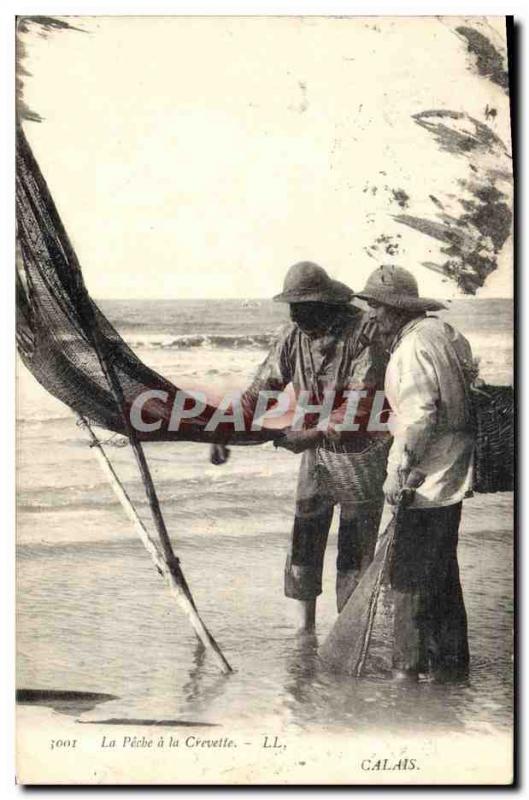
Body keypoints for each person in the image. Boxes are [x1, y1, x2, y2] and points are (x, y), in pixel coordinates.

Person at [211, 261, 389, 631]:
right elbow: (260, 392)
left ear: (328, 304)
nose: (297, 314)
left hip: (360, 457)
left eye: (304, 307)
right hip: (315, 457)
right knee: (305, 540)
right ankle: (303, 635)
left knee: (354, 552)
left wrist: (310, 434)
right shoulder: (293, 337)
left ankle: (347, 634)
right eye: (293, 307)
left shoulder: (363, 334)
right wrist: (226, 431)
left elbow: (359, 404)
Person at [356, 265, 475, 682]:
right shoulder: (444, 334)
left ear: (394, 310)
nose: (369, 315)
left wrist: (396, 471)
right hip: (453, 468)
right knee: (442, 572)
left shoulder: (410, 351)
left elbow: (417, 417)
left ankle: (406, 670)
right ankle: (450, 668)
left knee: (406, 573)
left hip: (424, 475)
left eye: (374, 307)